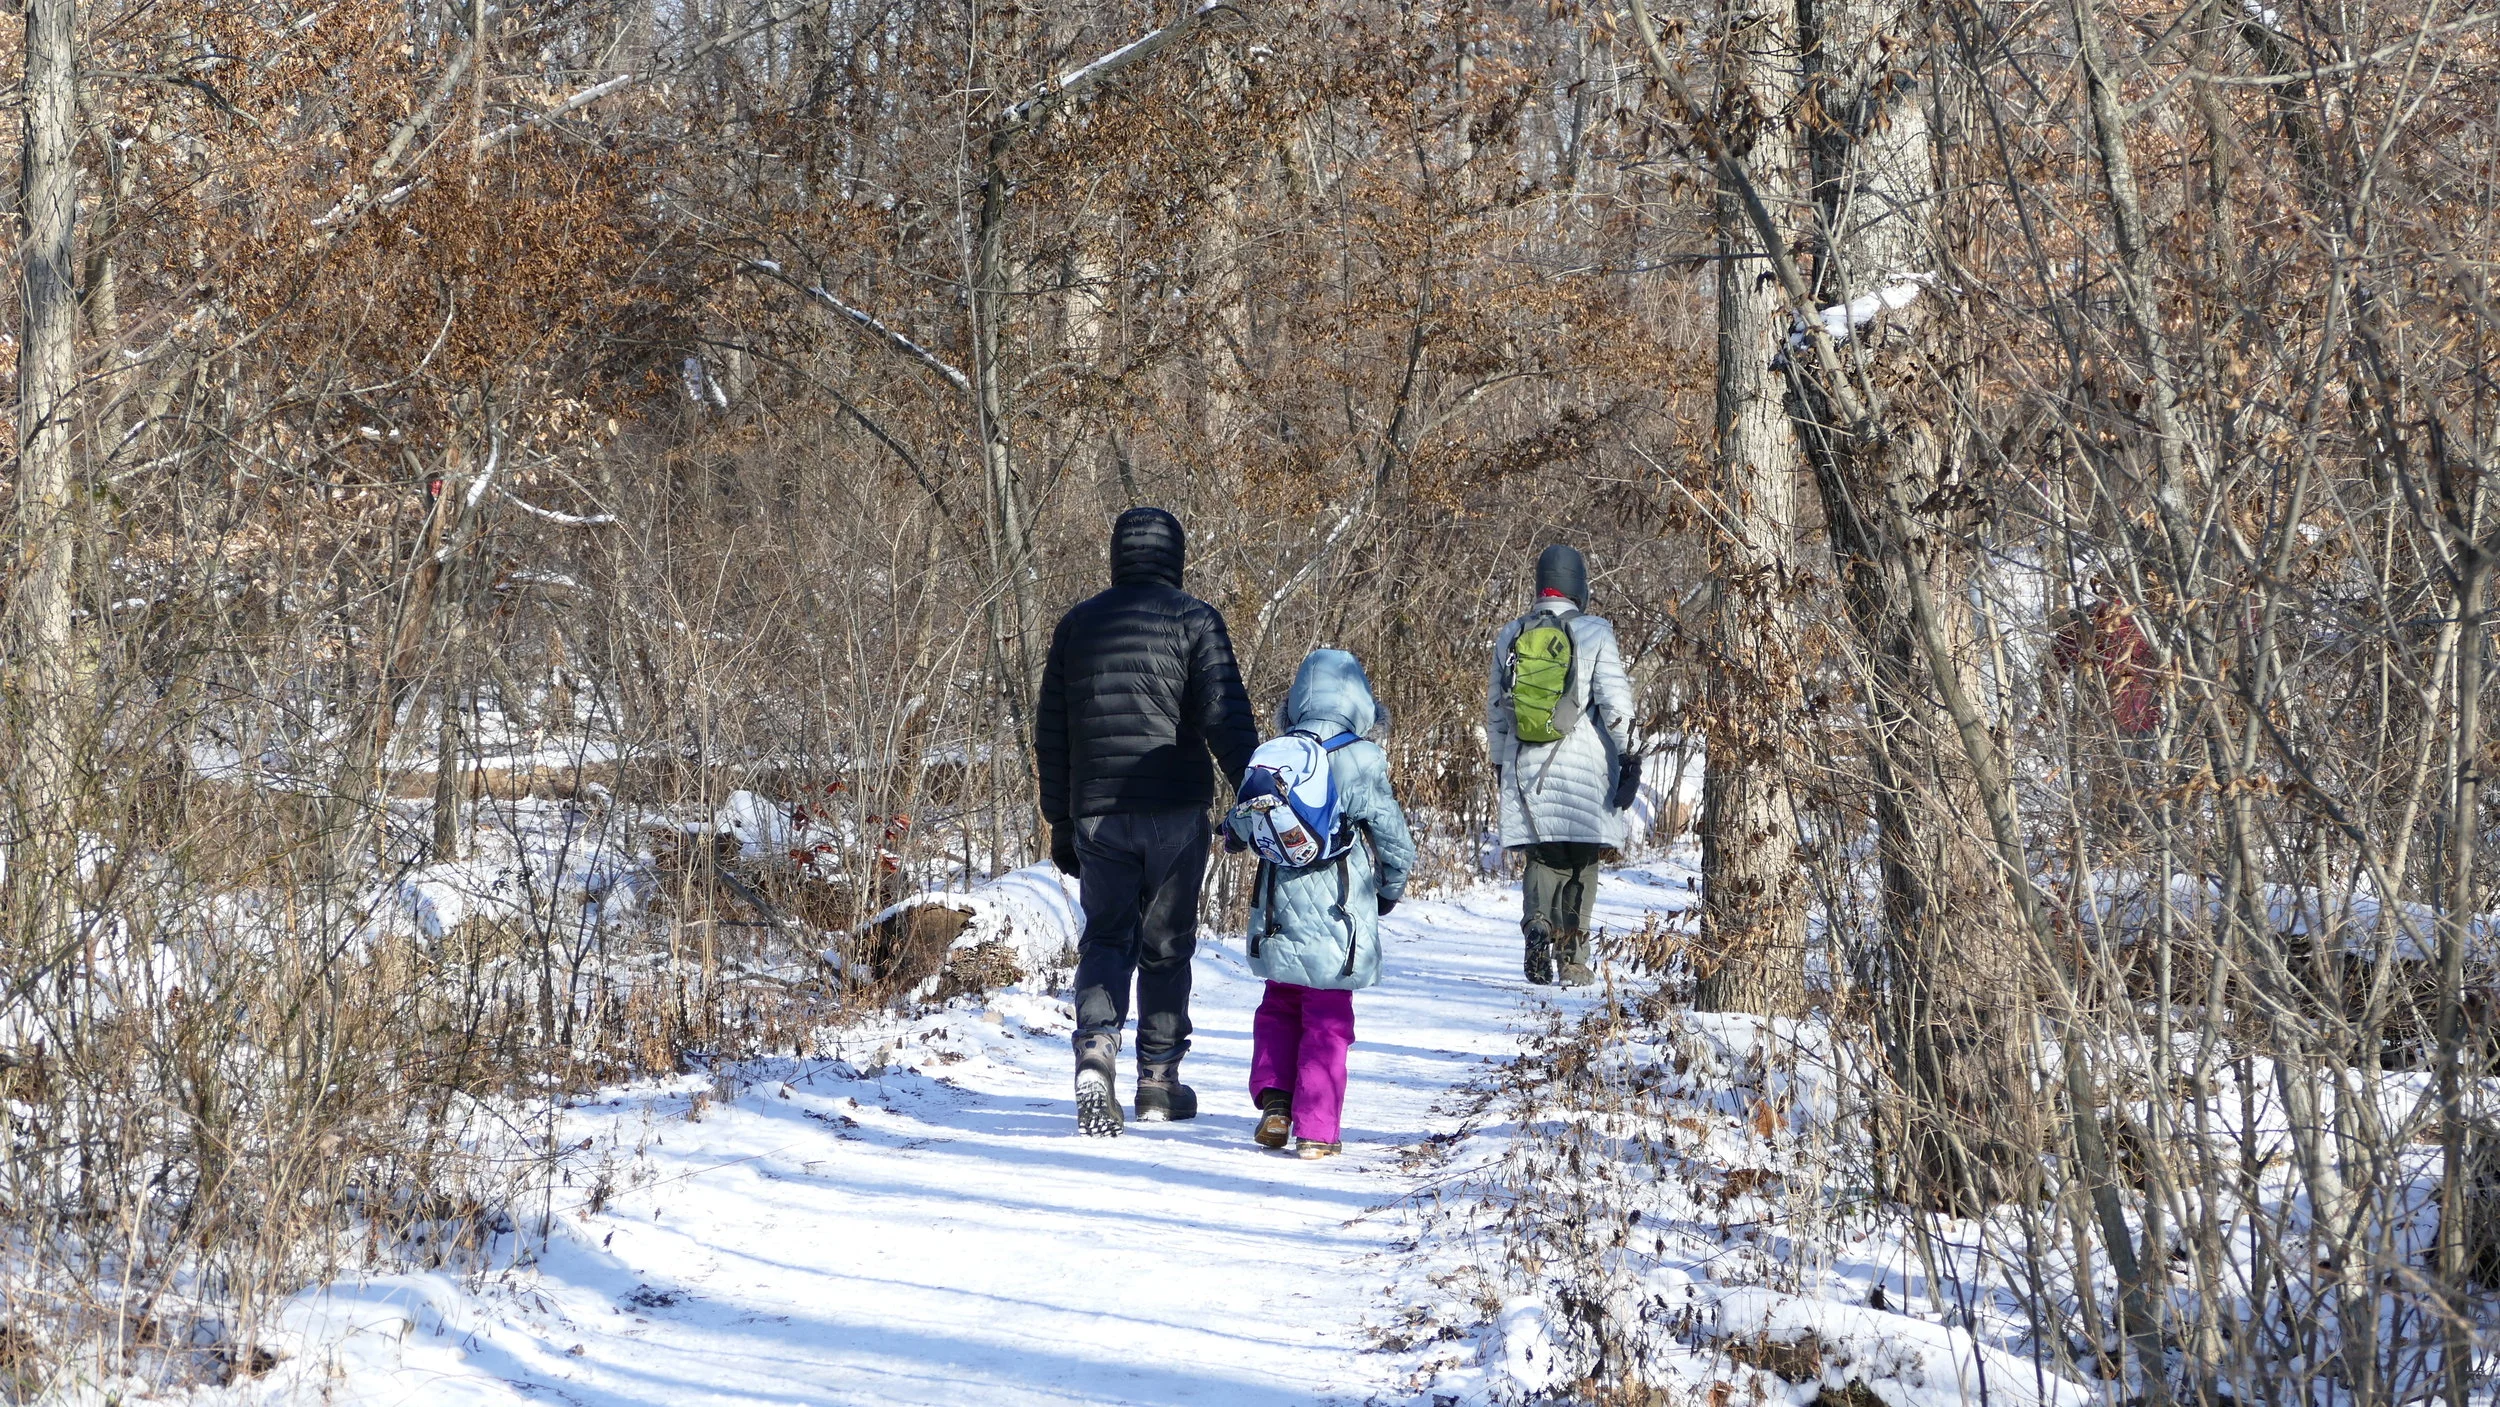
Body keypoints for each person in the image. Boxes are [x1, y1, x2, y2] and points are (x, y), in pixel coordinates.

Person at [1035, 506, 1259, 1137]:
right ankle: (1158, 1081)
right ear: (1174, 556)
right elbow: (1227, 718)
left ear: (1116, 556)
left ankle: (1096, 1047)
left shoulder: (1077, 626)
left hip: (1098, 813)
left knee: (1107, 938)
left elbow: (1051, 734)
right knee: (1166, 947)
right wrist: (1260, 793)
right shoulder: (1195, 620)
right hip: (1175, 813)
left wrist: (1059, 817)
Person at [1226, 649, 1415, 1159]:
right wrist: (1390, 888)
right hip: (1340, 913)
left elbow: (1239, 824)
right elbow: (1392, 838)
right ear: (1360, 700)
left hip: (1278, 914)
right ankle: (1316, 1130)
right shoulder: (1363, 758)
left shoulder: (1274, 751)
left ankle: (1276, 1104)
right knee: (1328, 1018)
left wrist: (1233, 832)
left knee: (1279, 1007)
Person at [1485, 544, 1638, 986]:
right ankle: (1572, 960)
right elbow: (1614, 704)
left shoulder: (1510, 634)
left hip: (1527, 768)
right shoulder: (1595, 633)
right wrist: (1629, 754)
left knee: (1544, 854)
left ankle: (1536, 923)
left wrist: (1500, 764)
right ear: (1579, 585)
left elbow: (1497, 711)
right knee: (1581, 862)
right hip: (1588, 772)